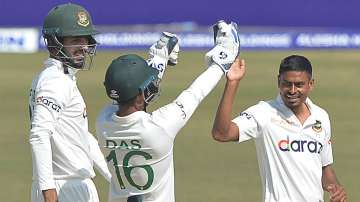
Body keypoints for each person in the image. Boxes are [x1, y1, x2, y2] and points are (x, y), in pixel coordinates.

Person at [96, 21, 240, 202]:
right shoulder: (159, 127)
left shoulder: (103, 122)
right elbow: (195, 93)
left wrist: (159, 58)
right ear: (140, 97)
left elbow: (128, 94)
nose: (152, 86)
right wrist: (222, 60)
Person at [212, 55, 348, 202]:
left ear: (311, 84)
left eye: (299, 84)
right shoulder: (264, 113)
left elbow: (324, 168)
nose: (292, 90)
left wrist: (336, 189)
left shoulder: (321, 117)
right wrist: (232, 83)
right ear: (278, 81)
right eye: (287, 84)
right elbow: (221, 134)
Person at [28, 3, 111, 202]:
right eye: (75, 40)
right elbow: (39, 135)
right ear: (55, 43)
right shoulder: (55, 81)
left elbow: (81, 136)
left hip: (71, 185)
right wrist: (49, 194)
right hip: (64, 188)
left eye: (85, 40)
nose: (83, 47)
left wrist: (114, 179)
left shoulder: (61, 78)